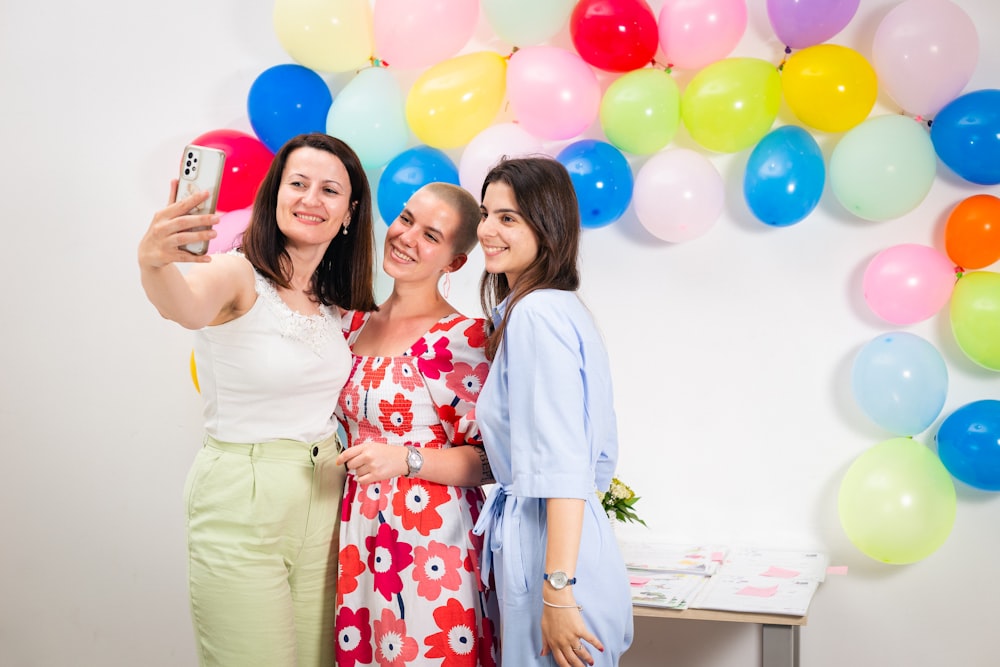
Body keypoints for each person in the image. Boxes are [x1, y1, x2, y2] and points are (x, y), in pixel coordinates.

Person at [137, 132, 377, 667]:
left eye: (329, 190)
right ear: (273, 195)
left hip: (322, 495)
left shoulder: (332, 302)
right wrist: (154, 263)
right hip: (242, 499)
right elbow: (186, 306)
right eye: (297, 183)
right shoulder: (236, 273)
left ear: (348, 213)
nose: (311, 199)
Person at [472, 157, 634, 667]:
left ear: (548, 227)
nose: (487, 230)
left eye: (508, 218)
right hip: (567, 543)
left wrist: (558, 590)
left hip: (553, 554)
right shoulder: (556, 308)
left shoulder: (537, 315)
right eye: (485, 213)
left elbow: (564, 462)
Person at [332, 182, 500, 666]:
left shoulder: (463, 339)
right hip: (358, 533)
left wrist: (403, 459)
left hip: (432, 539)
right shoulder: (350, 323)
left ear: (454, 262)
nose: (406, 237)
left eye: (431, 235)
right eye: (406, 219)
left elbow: (489, 462)